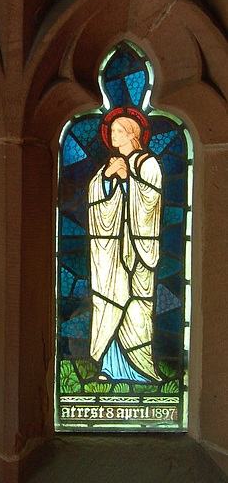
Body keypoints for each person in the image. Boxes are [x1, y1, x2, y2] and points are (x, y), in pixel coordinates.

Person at [88, 115, 162, 382]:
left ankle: (140, 369)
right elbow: (96, 197)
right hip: (113, 253)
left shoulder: (148, 162)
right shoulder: (113, 163)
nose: (113, 136)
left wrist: (127, 178)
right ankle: (110, 367)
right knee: (112, 299)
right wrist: (107, 177)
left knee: (137, 306)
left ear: (132, 134)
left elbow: (151, 198)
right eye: (112, 131)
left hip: (139, 249)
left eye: (119, 131)